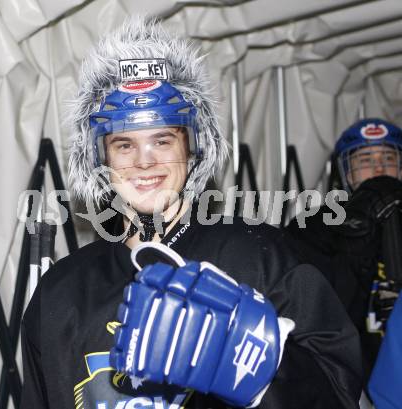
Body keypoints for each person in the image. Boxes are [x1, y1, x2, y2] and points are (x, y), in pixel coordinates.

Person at [20, 17, 362, 409]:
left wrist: (267, 375)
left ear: (193, 148)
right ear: (99, 159)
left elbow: (340, 393)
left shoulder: (261, 257)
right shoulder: (60, 294)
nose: (144, 163)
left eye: (162, 140)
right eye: (124, 145)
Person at [286, 118, 402, 392]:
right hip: (350, 382)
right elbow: (320, 317)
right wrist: (359, 236)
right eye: (364, 160)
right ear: (346, 172)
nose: (378, 169)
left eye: (388, 157)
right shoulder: (317, 225)